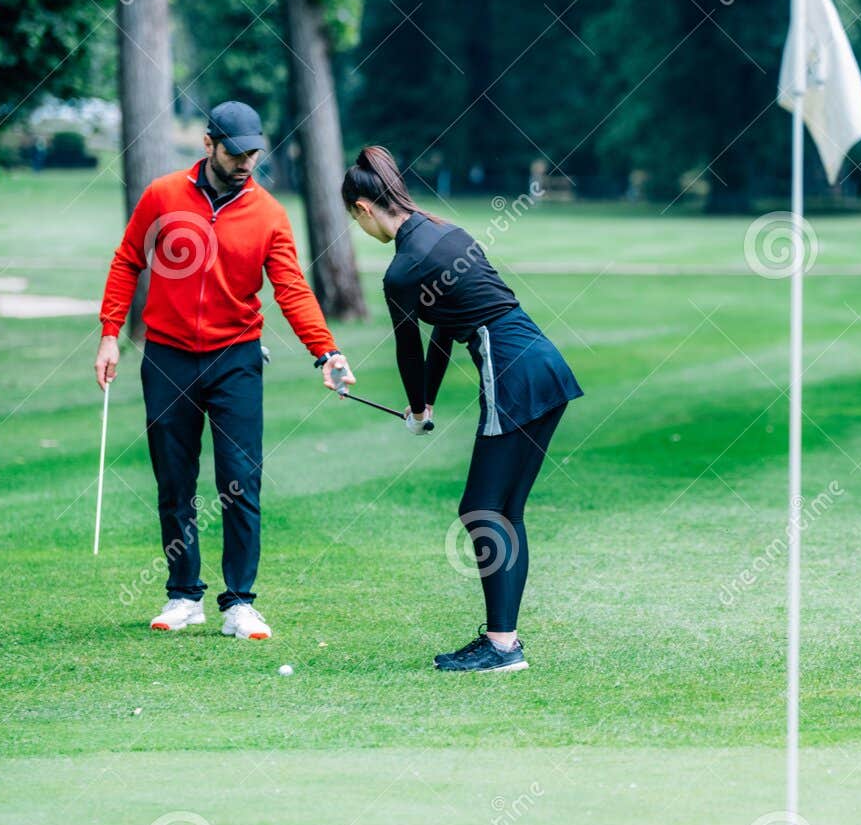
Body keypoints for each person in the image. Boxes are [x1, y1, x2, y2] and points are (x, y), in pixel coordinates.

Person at [94, 101, 356, 641]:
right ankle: (183, 593)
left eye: (253, 153)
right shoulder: (163, 196)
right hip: (166, 356)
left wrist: (325, 351)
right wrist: (109, 335)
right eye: (235, 152)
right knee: (174, 479)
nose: (245, 162)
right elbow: (127, 261)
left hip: (235, 357)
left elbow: (291, 289)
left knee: (240, 479)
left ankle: (239, 602)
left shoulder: (269, 214)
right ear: (208, 144)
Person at [340, 146, 582, 673]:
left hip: (512, 373)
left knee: (479, 508)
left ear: (362, 207)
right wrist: (422, 402)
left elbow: (410, 345)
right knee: (502, 510)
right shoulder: (444, 232)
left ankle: (501, 648)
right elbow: (445, 331)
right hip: (546, 363)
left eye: (355, 221)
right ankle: (502, 643)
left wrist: (417, 408)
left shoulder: (401, 271)